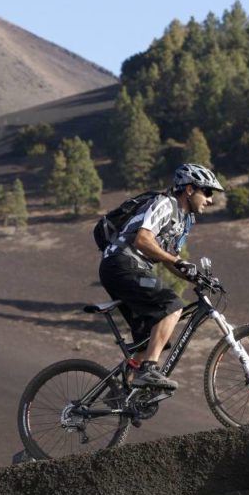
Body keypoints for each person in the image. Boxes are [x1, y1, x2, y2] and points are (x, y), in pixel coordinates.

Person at [99, 163, 224, 390]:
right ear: (189, 189)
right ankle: (148, 371)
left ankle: (124, 393)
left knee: (149, 338)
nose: (210, 199)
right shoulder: (165, 204)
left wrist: (196, 278)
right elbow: (143, 240)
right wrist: (176, 261)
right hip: (121, 264)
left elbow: (170, 258)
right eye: (206, 192)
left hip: (127, 269)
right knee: (172, 306)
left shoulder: (184, 221)